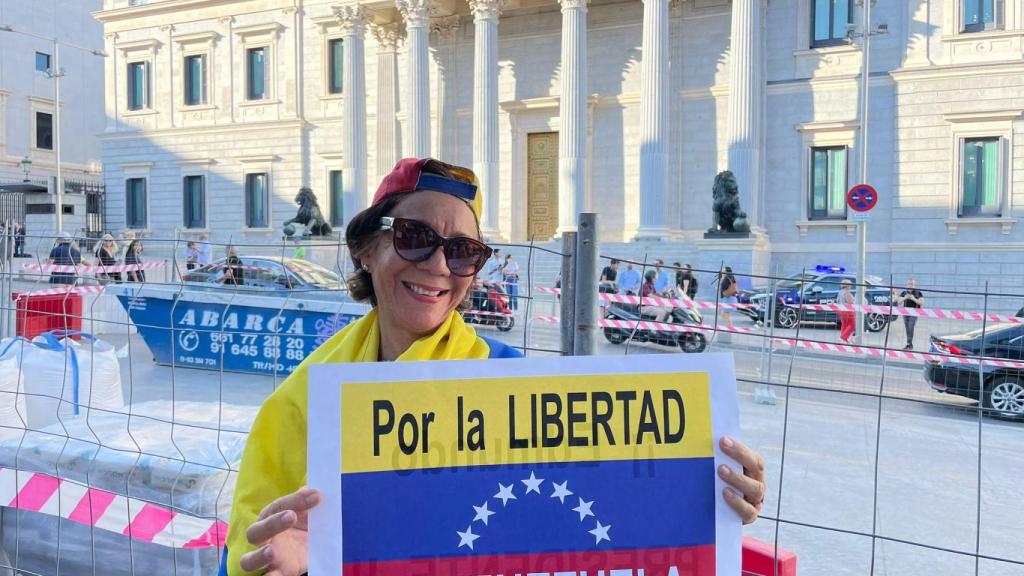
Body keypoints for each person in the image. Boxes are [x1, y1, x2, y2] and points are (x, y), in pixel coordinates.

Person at [222, 158, 768, 576]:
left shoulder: (513, 387)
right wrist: (286, 562)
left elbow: (591, 525)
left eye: (462, 251)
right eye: (414, 239)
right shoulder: (300, 405)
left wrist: (708, 498)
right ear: (366, 247)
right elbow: (251, 551)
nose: (438, 265)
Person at [895, 278, 924, 350]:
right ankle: (909, 344)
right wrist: (905, 298)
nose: (910, 285)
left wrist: (913, 299)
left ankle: (909, 344)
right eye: (909, 284)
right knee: (907, 329)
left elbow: (921, 302)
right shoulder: (904, 293)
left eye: (912, 284)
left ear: (915, 285)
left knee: (910, 327)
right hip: (905, 313)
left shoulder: (918, 292)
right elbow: (898, 302)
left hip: (914, 313)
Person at [838, 279, 856, 343]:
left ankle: (844, 339)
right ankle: (843, 337)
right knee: (852, 325)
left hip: (840, 310)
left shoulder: (840, 292)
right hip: (847, 311)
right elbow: (850, 302)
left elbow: (837, 300)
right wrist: (854, 301)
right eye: (850, 285)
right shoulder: (847, 292)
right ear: (848, 286)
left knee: (844, 325)